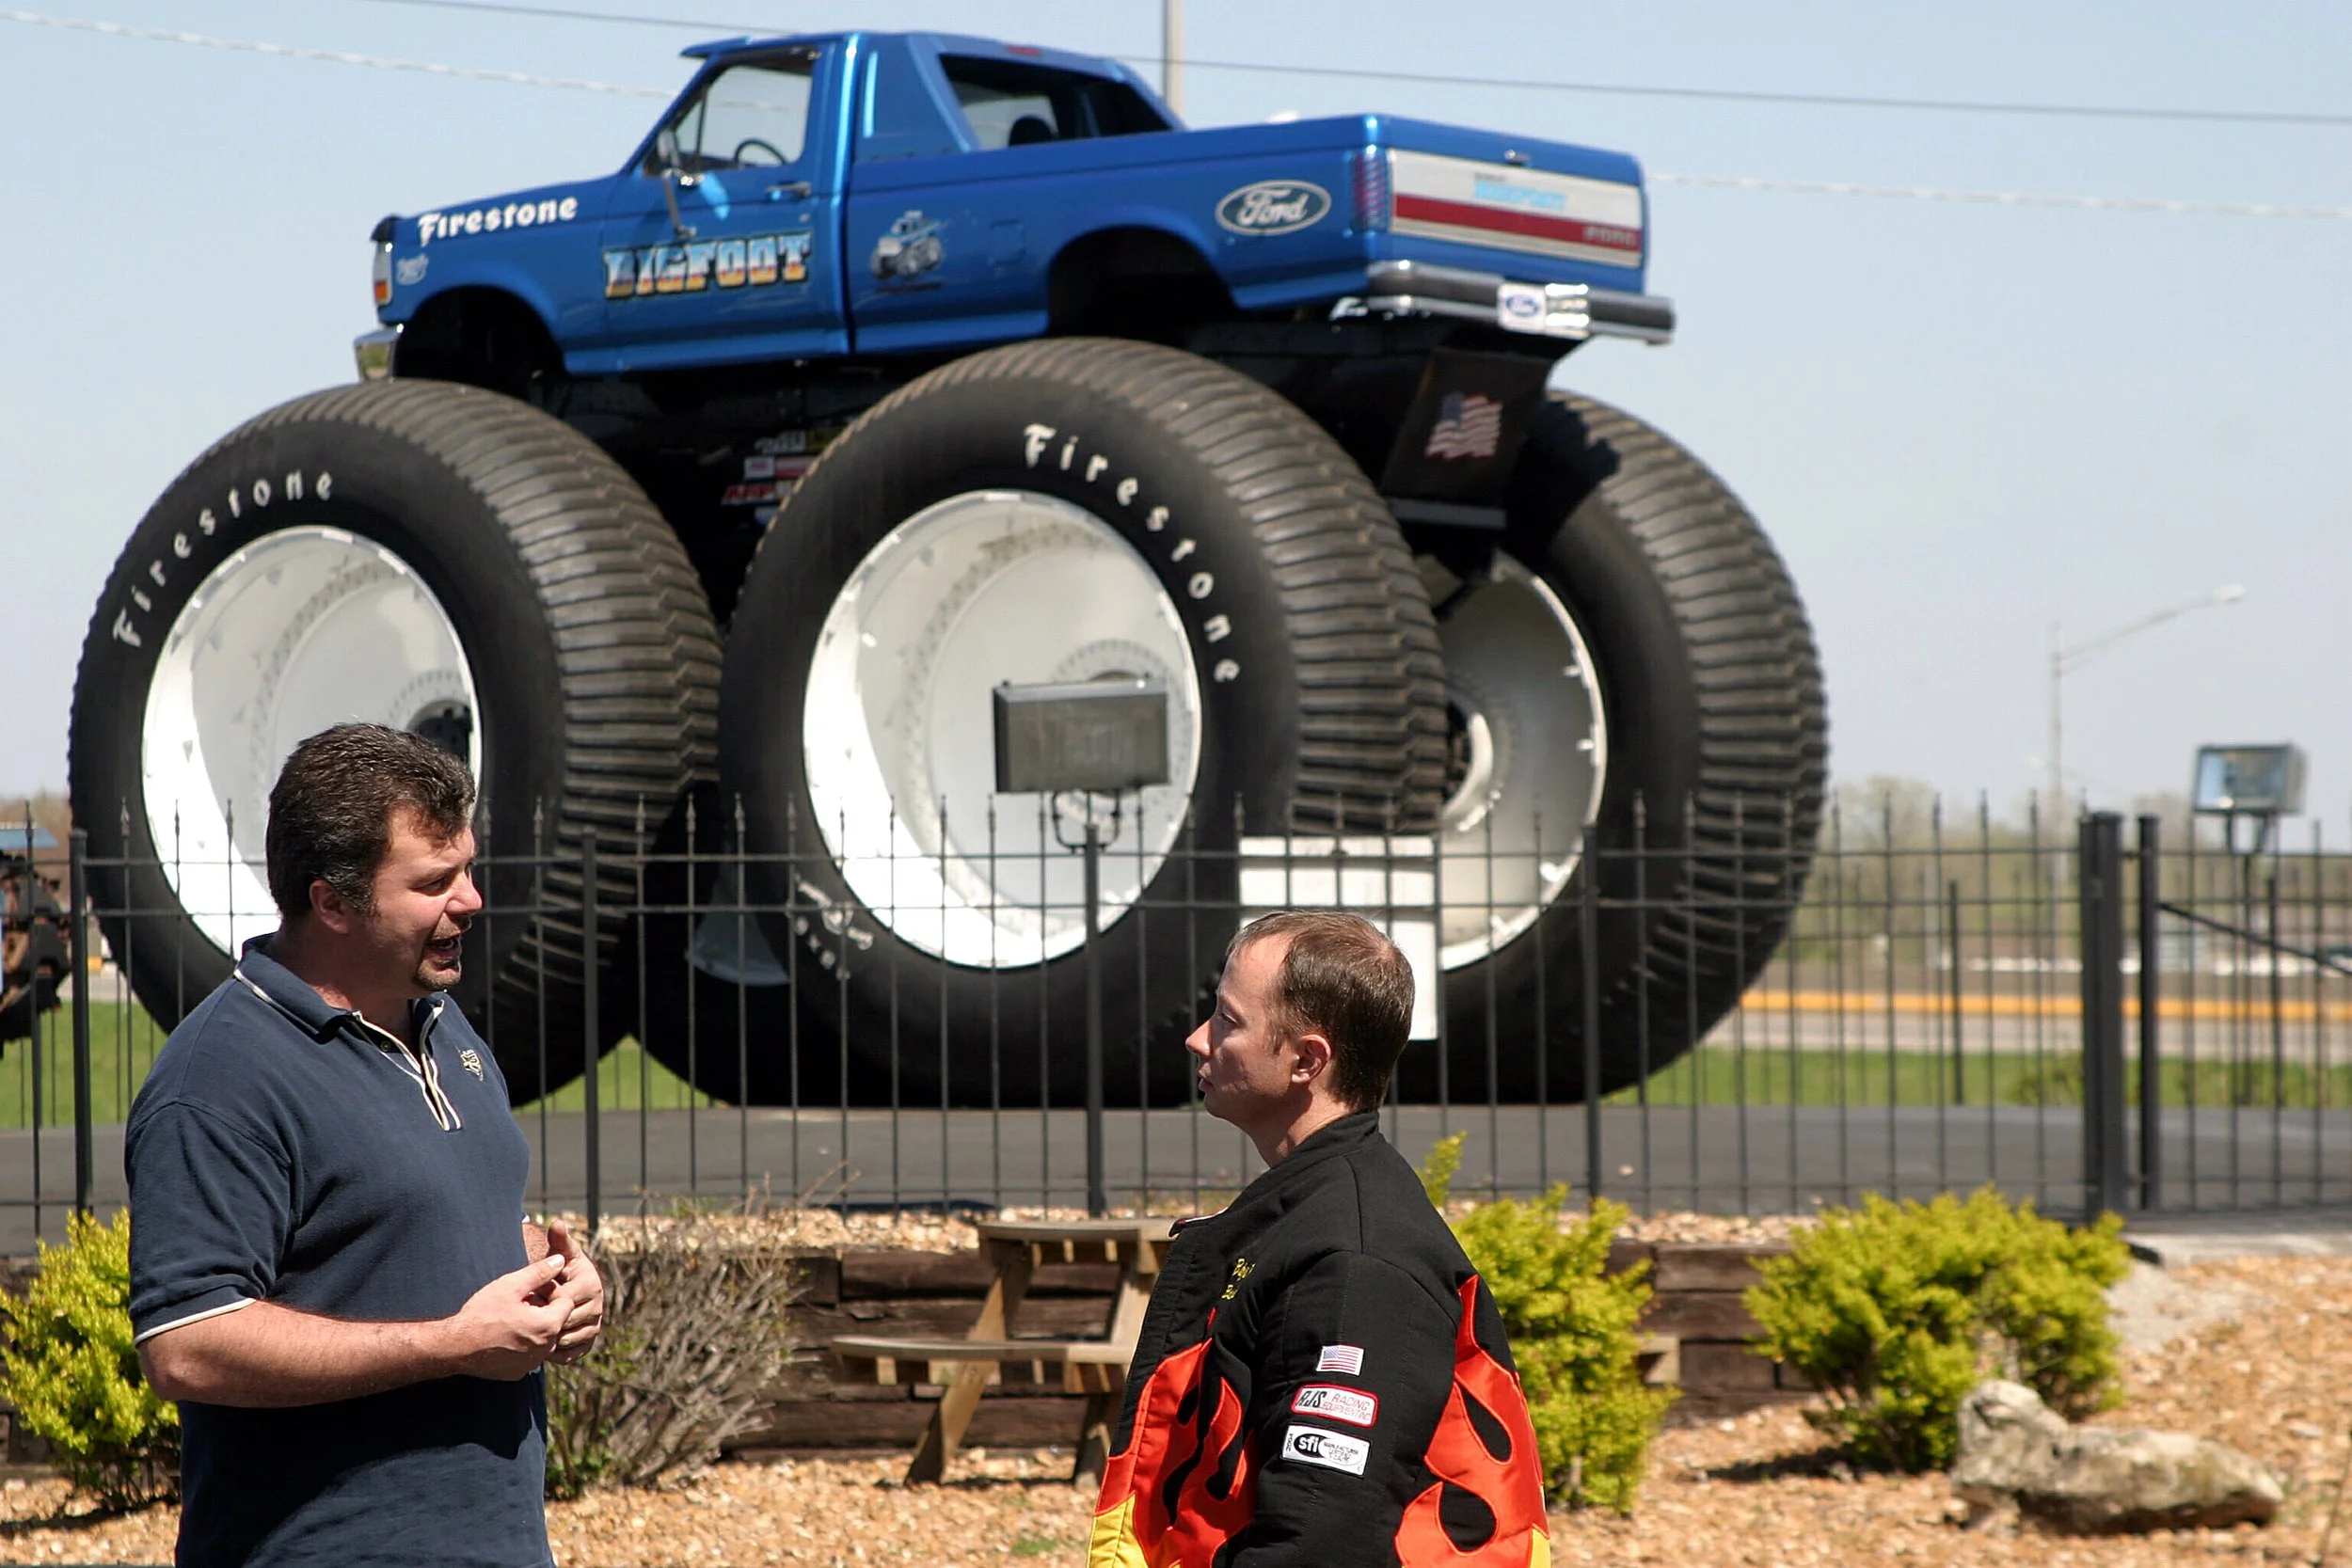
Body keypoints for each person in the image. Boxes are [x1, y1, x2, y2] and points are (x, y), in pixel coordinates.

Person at [126, 723, 603, 1568]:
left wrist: (556, 1278)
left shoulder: (441, 1024)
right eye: (435, 881)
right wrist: (451, 1342)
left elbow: (415, 1225)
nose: (472, 900)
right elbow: (187, 1342)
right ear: (332, 901)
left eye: (468, 868)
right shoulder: (220, 1079)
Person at [1089, 911, 1550, 1567]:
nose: (1197, 1038)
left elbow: (1320, 1537)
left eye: (1227, 1019)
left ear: (1307, 1059)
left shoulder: (1356, 1265)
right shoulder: (1306, 1212)